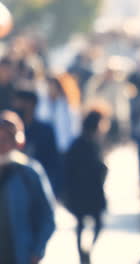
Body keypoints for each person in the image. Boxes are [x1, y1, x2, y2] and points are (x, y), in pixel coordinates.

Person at [0, 110, 56, 264]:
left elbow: (48, 217)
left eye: (7, 139)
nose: (2, 145)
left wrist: (37, 251)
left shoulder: (29, 173)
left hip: (20, 255)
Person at [63, 110, 110, 263]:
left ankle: (86, 250)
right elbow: (69, 167)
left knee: (94, 223)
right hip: (81, 189)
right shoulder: (80, 143)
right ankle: (82, 253)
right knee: (82, 223)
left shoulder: (94, 142)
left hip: (91, 190)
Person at [12, 90, 61, 194]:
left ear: (32, 105)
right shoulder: (10, 131)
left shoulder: (45, 131)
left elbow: (53, 163)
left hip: (36, 188)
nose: (18, 108)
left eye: (22, 104)